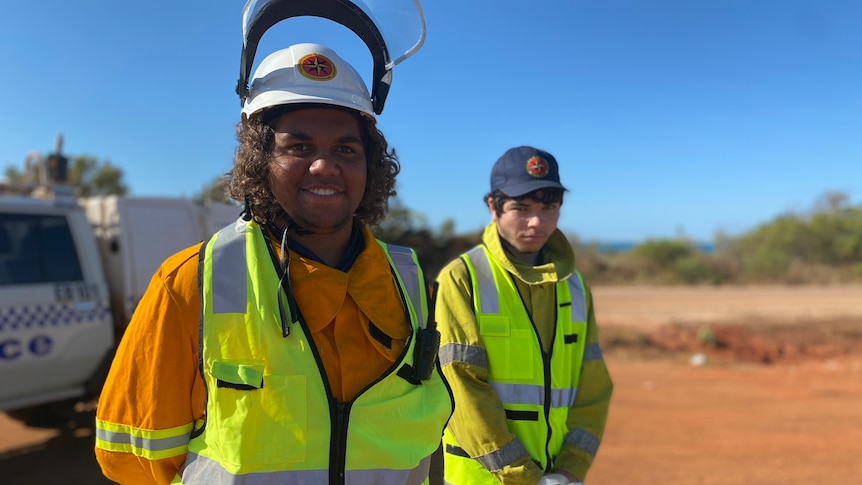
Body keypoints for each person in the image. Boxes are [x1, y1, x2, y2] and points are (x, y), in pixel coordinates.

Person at [94, 42, 453, 484]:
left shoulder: (411, 282)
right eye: (298, 146)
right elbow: (134, 460)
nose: (324, 165)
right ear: (260, 162)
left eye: (346, 150)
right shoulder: (190, 281)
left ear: (371, 166)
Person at [434, 146, 614, 485]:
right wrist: (524, 477)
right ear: (493, 207)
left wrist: (570, 470)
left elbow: (593, 388)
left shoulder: (574, 286)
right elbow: (459, 387)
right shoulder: (463, 278)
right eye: (522, 207)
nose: (537, 221)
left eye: (549, 207)